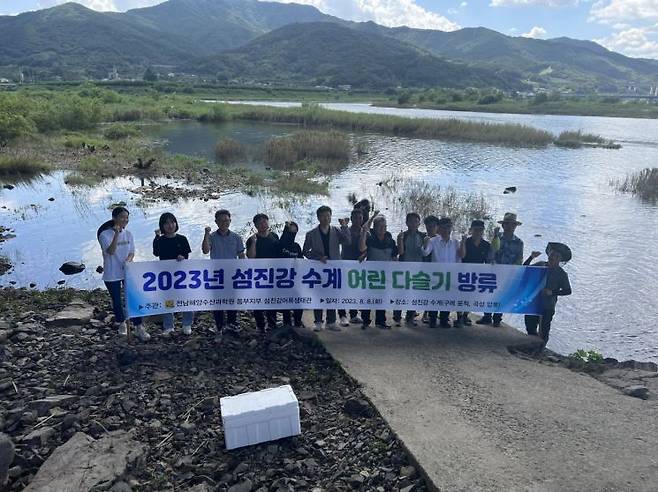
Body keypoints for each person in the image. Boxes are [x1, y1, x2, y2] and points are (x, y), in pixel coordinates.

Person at [97, 207, 149, 341]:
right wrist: (116, 234)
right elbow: (111, 251)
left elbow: (132, 252)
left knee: (133, 298)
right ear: (114, 218)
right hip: (111, 273)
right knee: (117, 300)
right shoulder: (104, 235)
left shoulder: (129, 234)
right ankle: (121, 324)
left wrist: (128, 260)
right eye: (122, 217)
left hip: (127, 271)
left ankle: (138, 327)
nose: (125, 220)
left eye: (126, 217)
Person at [303, 205, 351, 332]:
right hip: (318, 269)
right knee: (318, 295)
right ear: (318, 218)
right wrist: (318, 257)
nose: (325, 218)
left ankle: (331, 321)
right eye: (323, 216)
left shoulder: (336, 230)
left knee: (332, 295)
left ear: (331, 217)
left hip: (334, 268)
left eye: (328, 216)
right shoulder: (311, 234)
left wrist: (345, 226)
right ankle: (318, 321)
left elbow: (347, 241)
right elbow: (305, 251)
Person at [477, 212, 524, 327]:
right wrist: (492, 260)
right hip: (494, 272)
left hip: (508, 274)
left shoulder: (519, 242)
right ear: (503, 225)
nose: (510, 226)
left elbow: (519, 259)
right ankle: (487, 317)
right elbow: (490, 254)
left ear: (515, 226)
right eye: (507, 224)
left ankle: (497, 318)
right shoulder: (497, 238)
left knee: (503, 295)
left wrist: (513, 270)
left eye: (512, 224)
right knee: (490, 294)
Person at [202, 209, 245, 334]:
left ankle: (231, 323)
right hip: (217, 275)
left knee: (232, 299)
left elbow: (241, 254)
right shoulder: (211, 237)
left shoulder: (236, 237)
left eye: (226, 220)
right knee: (218, 301)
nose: (223, 223)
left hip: (232, 274)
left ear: (230, 221)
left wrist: (246, 268)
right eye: (220, 221)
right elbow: (205, 250)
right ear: (216, 222)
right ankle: (219, 326)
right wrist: (206, 234)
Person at [523, 243, 572, 345]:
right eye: (552, 254)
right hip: (533, 302)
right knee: (530, 326)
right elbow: (525, 269)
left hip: (548, 305)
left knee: (544, 330)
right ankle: (531, 346)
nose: (553, 257)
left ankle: (541, 349)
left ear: (560, 260)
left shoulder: (562, 274)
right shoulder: (540, 264)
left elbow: (568, 291)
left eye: (557, 256)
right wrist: (531, 257)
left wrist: (552, 292)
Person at [153, 212, 194, 335]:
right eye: (166, 223)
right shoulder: (160, 240)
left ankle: (187, 324)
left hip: (182, 275)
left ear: (176, 223)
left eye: (172, 222)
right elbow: (156, 253)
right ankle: (168, 326)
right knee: (168, 300)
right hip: (166, 276)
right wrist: (156, 238)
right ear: (162, 226)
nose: (170, 225)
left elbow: (186, 255)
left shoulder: (182, 239)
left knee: (186, 299)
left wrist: (182, 257)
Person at [422, 217, 462, 328]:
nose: (446, 230)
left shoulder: (455, 242)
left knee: (447, 298)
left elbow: (459, 259)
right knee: (434, 298)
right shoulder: (433, 240)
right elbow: (425, 253)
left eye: (448, 227)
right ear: (439, 229)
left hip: (450, 275)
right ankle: (432, 319)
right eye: (443, 228)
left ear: (451, 228)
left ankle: (444, 320)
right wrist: (425, 243)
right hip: (436, 275)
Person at [359, 214, 398, 329]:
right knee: (367, 298)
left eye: (385, 226)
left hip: (385, 275)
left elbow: (395, 255)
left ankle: (381, 321)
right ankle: (365, 321)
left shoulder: (390, 240)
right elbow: (362, 249)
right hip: (370, 275)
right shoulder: (370, 238)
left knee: (382, 298)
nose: (383, 229)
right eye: (380, 227)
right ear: (374, 227)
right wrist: (363, 235)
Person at [247, 213, 280, 333]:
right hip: (258, 274)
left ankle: (272, 323)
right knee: (258, 300)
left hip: (273, 273)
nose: (262, 225)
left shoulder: (274, 236)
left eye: (264, 222)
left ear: (268, 223)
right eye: (259, 223)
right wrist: (254, 242)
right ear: (255, 225)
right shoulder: (252, 239)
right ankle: (260, 325)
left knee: (272, 298)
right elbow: (250, 257)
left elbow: (280, 253)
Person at [393, 212, 426, 326]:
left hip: (418, 270)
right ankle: (397, 317)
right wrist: (400, 240)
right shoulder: (403, 235)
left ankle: (410, 317)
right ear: (406, 223)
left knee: (414, 294)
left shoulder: (423, 236)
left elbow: (425, 253)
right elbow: (400, 252)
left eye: (416, 221)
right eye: (411, 221)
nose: (413, 224)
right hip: (404, 269)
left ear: (419, 223)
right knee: (401, 293)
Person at [460, 219, 493, 326]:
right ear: (471, 230)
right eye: (475, 229)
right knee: (463, 295)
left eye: (480, 230)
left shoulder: (486, 245)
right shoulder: (466, 242)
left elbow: (488, 261)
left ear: (483, 231)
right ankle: (461, 316)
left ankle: (466, 314)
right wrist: (463, 243)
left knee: (472, 296)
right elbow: (462, 256)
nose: (478, 232)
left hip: (477, 274)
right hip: (464, 273)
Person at [338, 208, 365, 325]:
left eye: (360, 218)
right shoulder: (345, 230)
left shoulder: (365, 232)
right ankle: (342, 315)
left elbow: (368, 247)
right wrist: (344, 226)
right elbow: (344, 242)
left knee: (355, 289)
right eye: (355, 218)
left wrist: (364, 255)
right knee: (343, 290)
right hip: (345, 263)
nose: (358, 220)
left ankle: (354, 314)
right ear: (351, 219)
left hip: (358, 264)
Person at [278, 221, 304, 329]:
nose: (292, 234)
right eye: (290, 231)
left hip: (295, 279)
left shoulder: (296, 246)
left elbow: (301, 260)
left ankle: (298, 322)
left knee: (298, 301)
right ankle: (287, 323)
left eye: (295, 231)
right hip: (282, 279)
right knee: (286, 302)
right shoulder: (278, 245)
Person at [421, 215, 440, 325]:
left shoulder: (440, 239)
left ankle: (427, 314)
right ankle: (416, 314)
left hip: (435, 271)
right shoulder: (423, 237)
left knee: (433, 292)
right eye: (428, 226)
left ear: (437, 227)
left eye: (433, 226)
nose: (430, 228)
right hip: (422, 269)